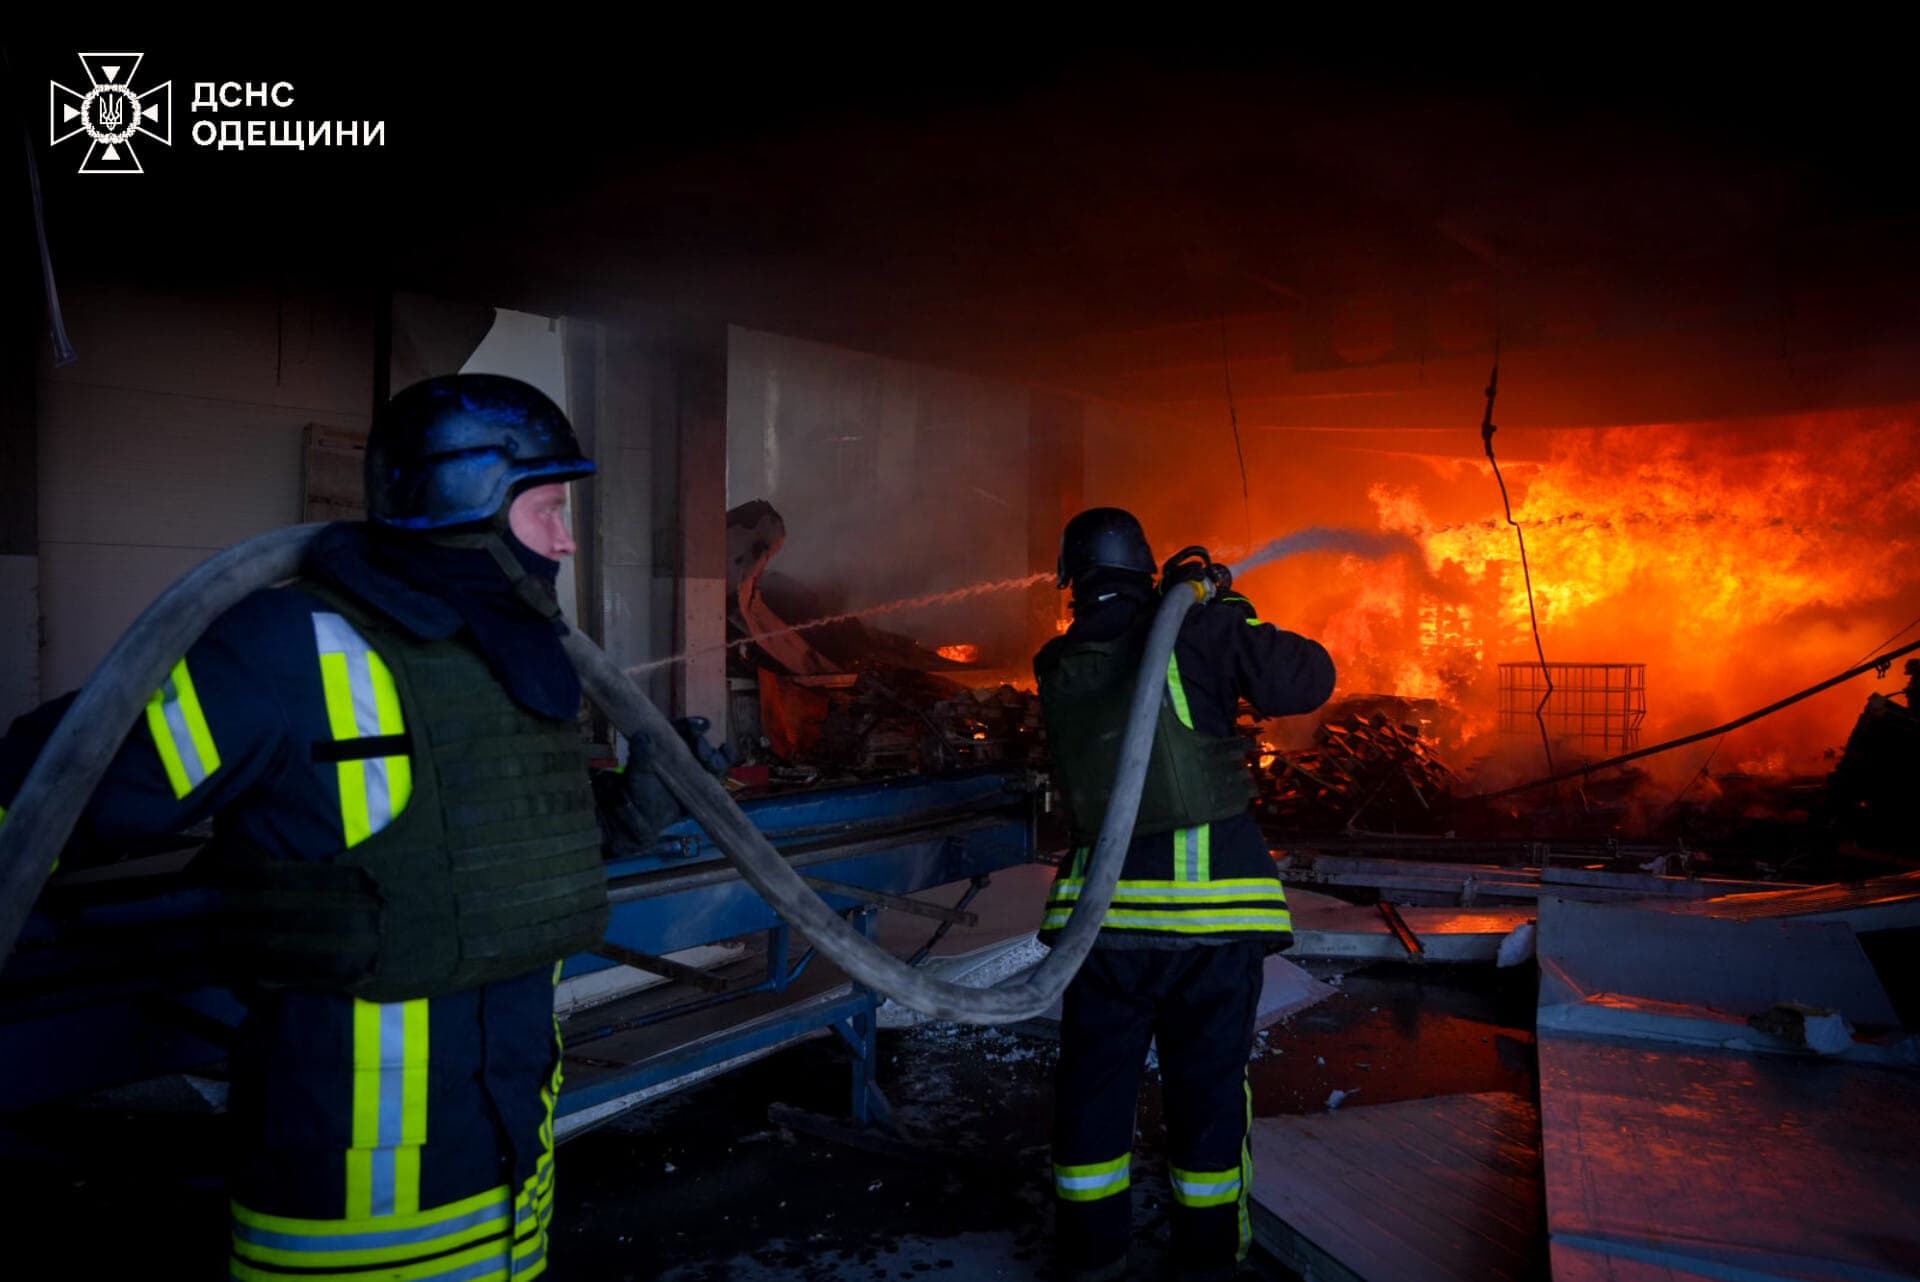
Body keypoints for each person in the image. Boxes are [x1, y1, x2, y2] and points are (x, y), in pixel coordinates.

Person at [0, 373, 684, 1279]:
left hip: (511, 1162)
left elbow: (481, 852)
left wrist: (626, 818)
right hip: (354, 1199)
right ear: (461, 505)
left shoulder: (514, 657)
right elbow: (55, 787)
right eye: (548, 508)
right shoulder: (289, 649)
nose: (564, 540)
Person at [1035, 507, 1335, 1282]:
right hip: (1211, 922)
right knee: (1205, 1097)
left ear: (1072, 580)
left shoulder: (1059, 658)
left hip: (1100, 931)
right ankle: (1205, 1262)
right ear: (1146, 569)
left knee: (1093, 1094)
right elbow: (1309, 677)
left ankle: (1090, 1256)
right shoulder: (1196, 631)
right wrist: (1225, 606)